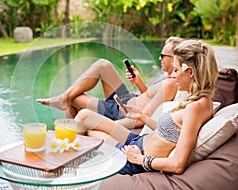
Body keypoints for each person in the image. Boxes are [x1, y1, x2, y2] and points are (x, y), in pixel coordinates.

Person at [74, 39, 219, 175]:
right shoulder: (201, 100)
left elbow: (177, 164)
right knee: (85, 116)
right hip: (137, 140)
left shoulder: (196, 108)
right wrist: (142, 117)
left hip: (133, 158)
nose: (172, 76)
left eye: (175, 70)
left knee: (88, 130)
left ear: (191, 72)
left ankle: (69, 173)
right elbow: (172, 133)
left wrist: (139, 159)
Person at [36, 37, 185, 129]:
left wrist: (106, 126)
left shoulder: (171, 84)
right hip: (127, 99)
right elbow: (148, 97)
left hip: (120, 113)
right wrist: (138, 82)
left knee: (73, 98)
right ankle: (64, 101)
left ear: (173, 59)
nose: (159, 58)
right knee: (103, 65)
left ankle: (70, 135)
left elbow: (141, 119)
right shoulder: (167, 78)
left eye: (162, 55)